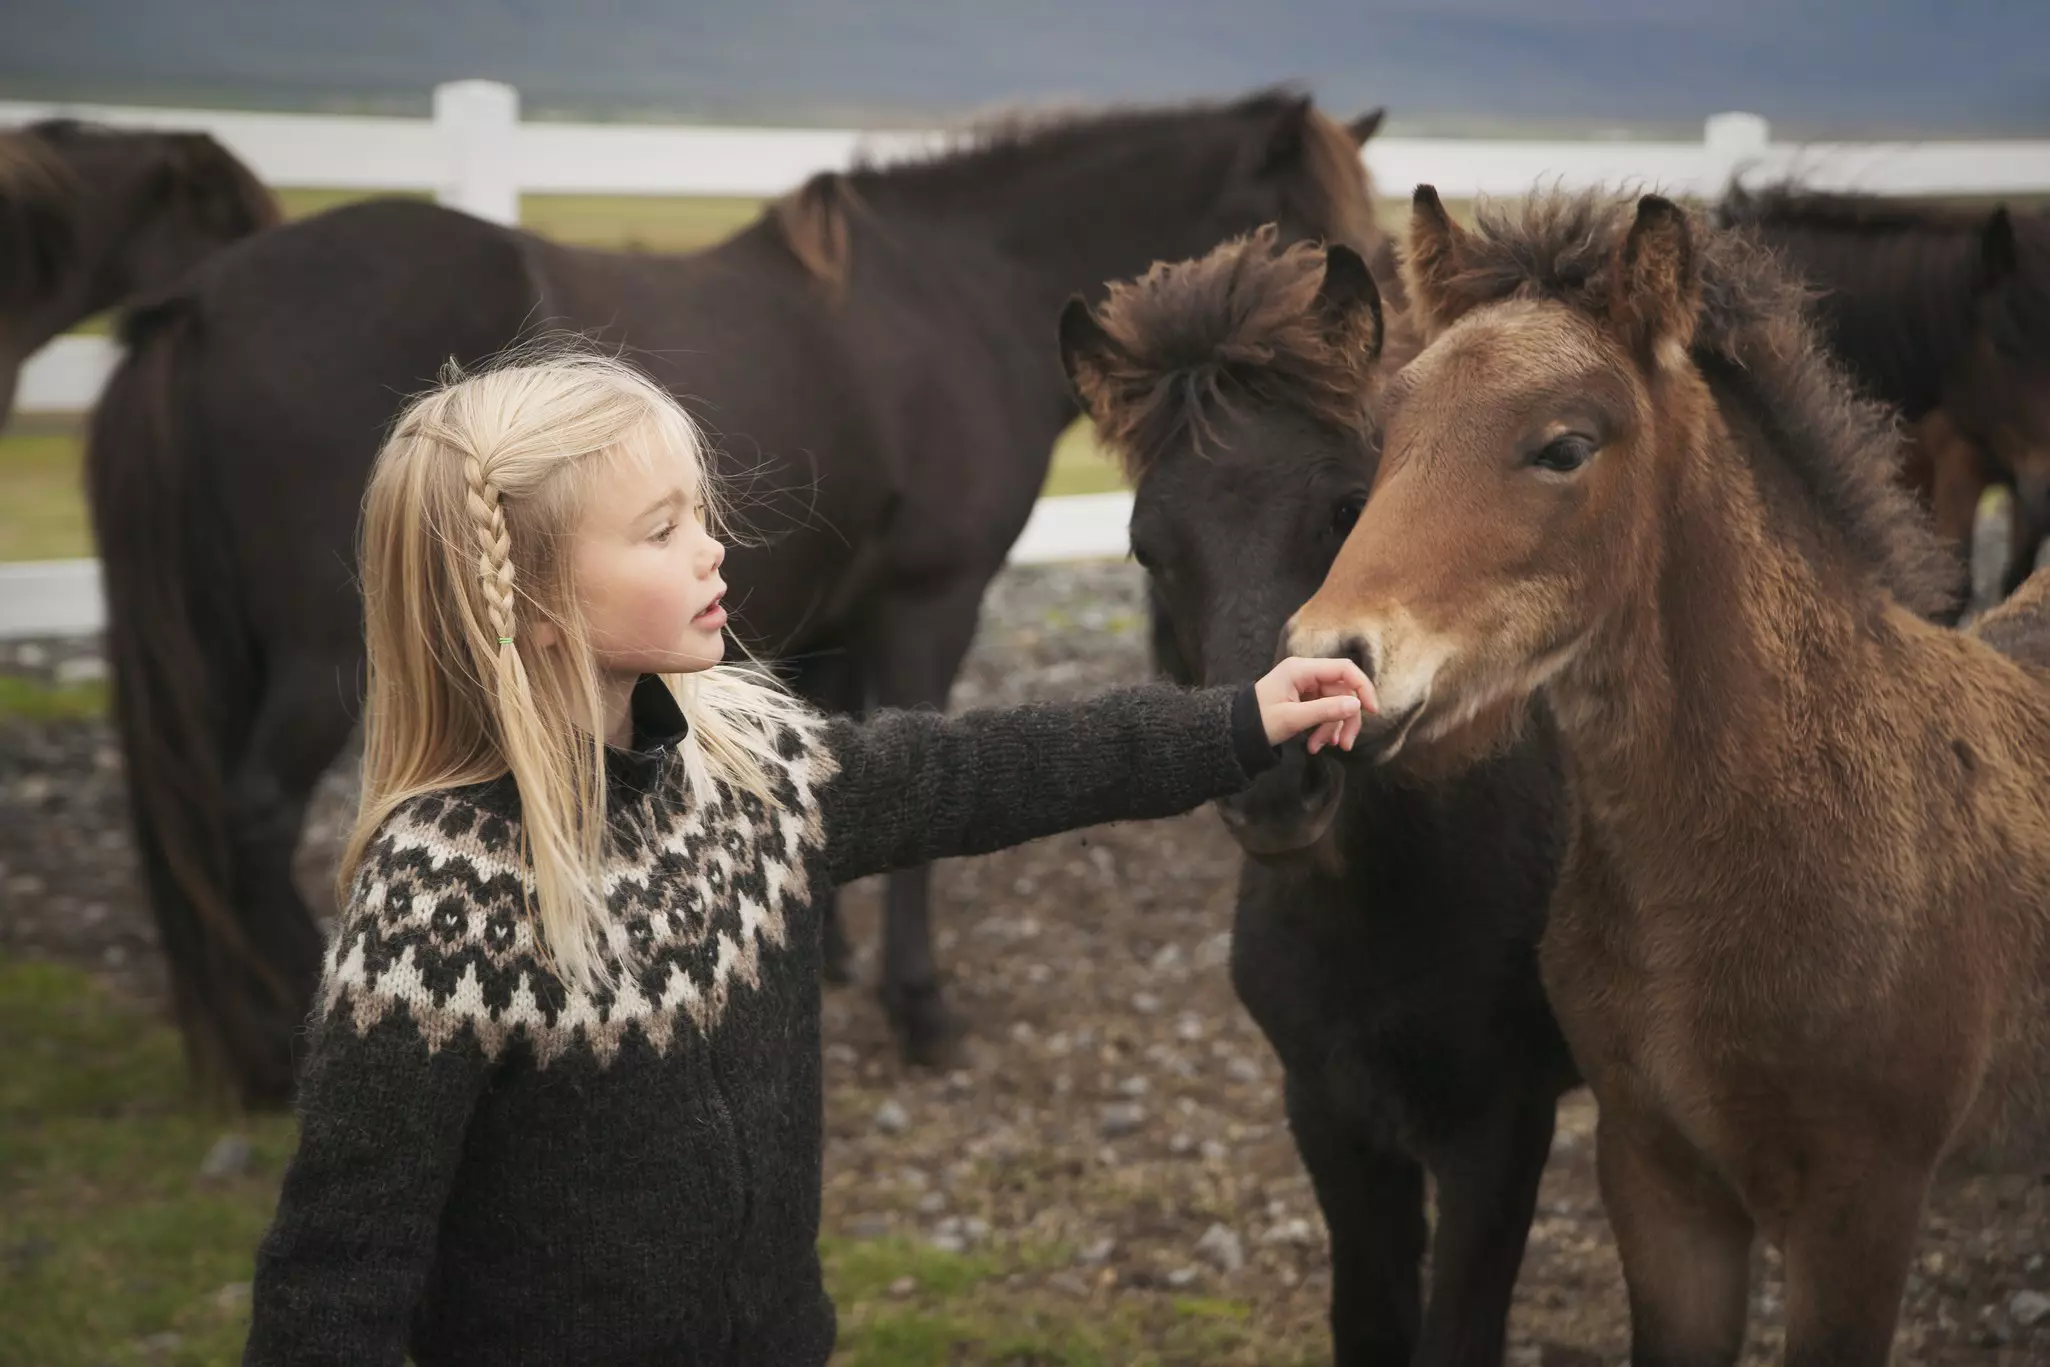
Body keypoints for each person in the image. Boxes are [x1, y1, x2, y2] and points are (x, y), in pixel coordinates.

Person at [241, 349, 1374, 1366]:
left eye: (700, 513)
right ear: (534, 604)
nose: (713, 548)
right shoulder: (440, 905)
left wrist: (1236, 721)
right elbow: (340, 1263)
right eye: (661, 531)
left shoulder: (752, 773)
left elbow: (985, 769)